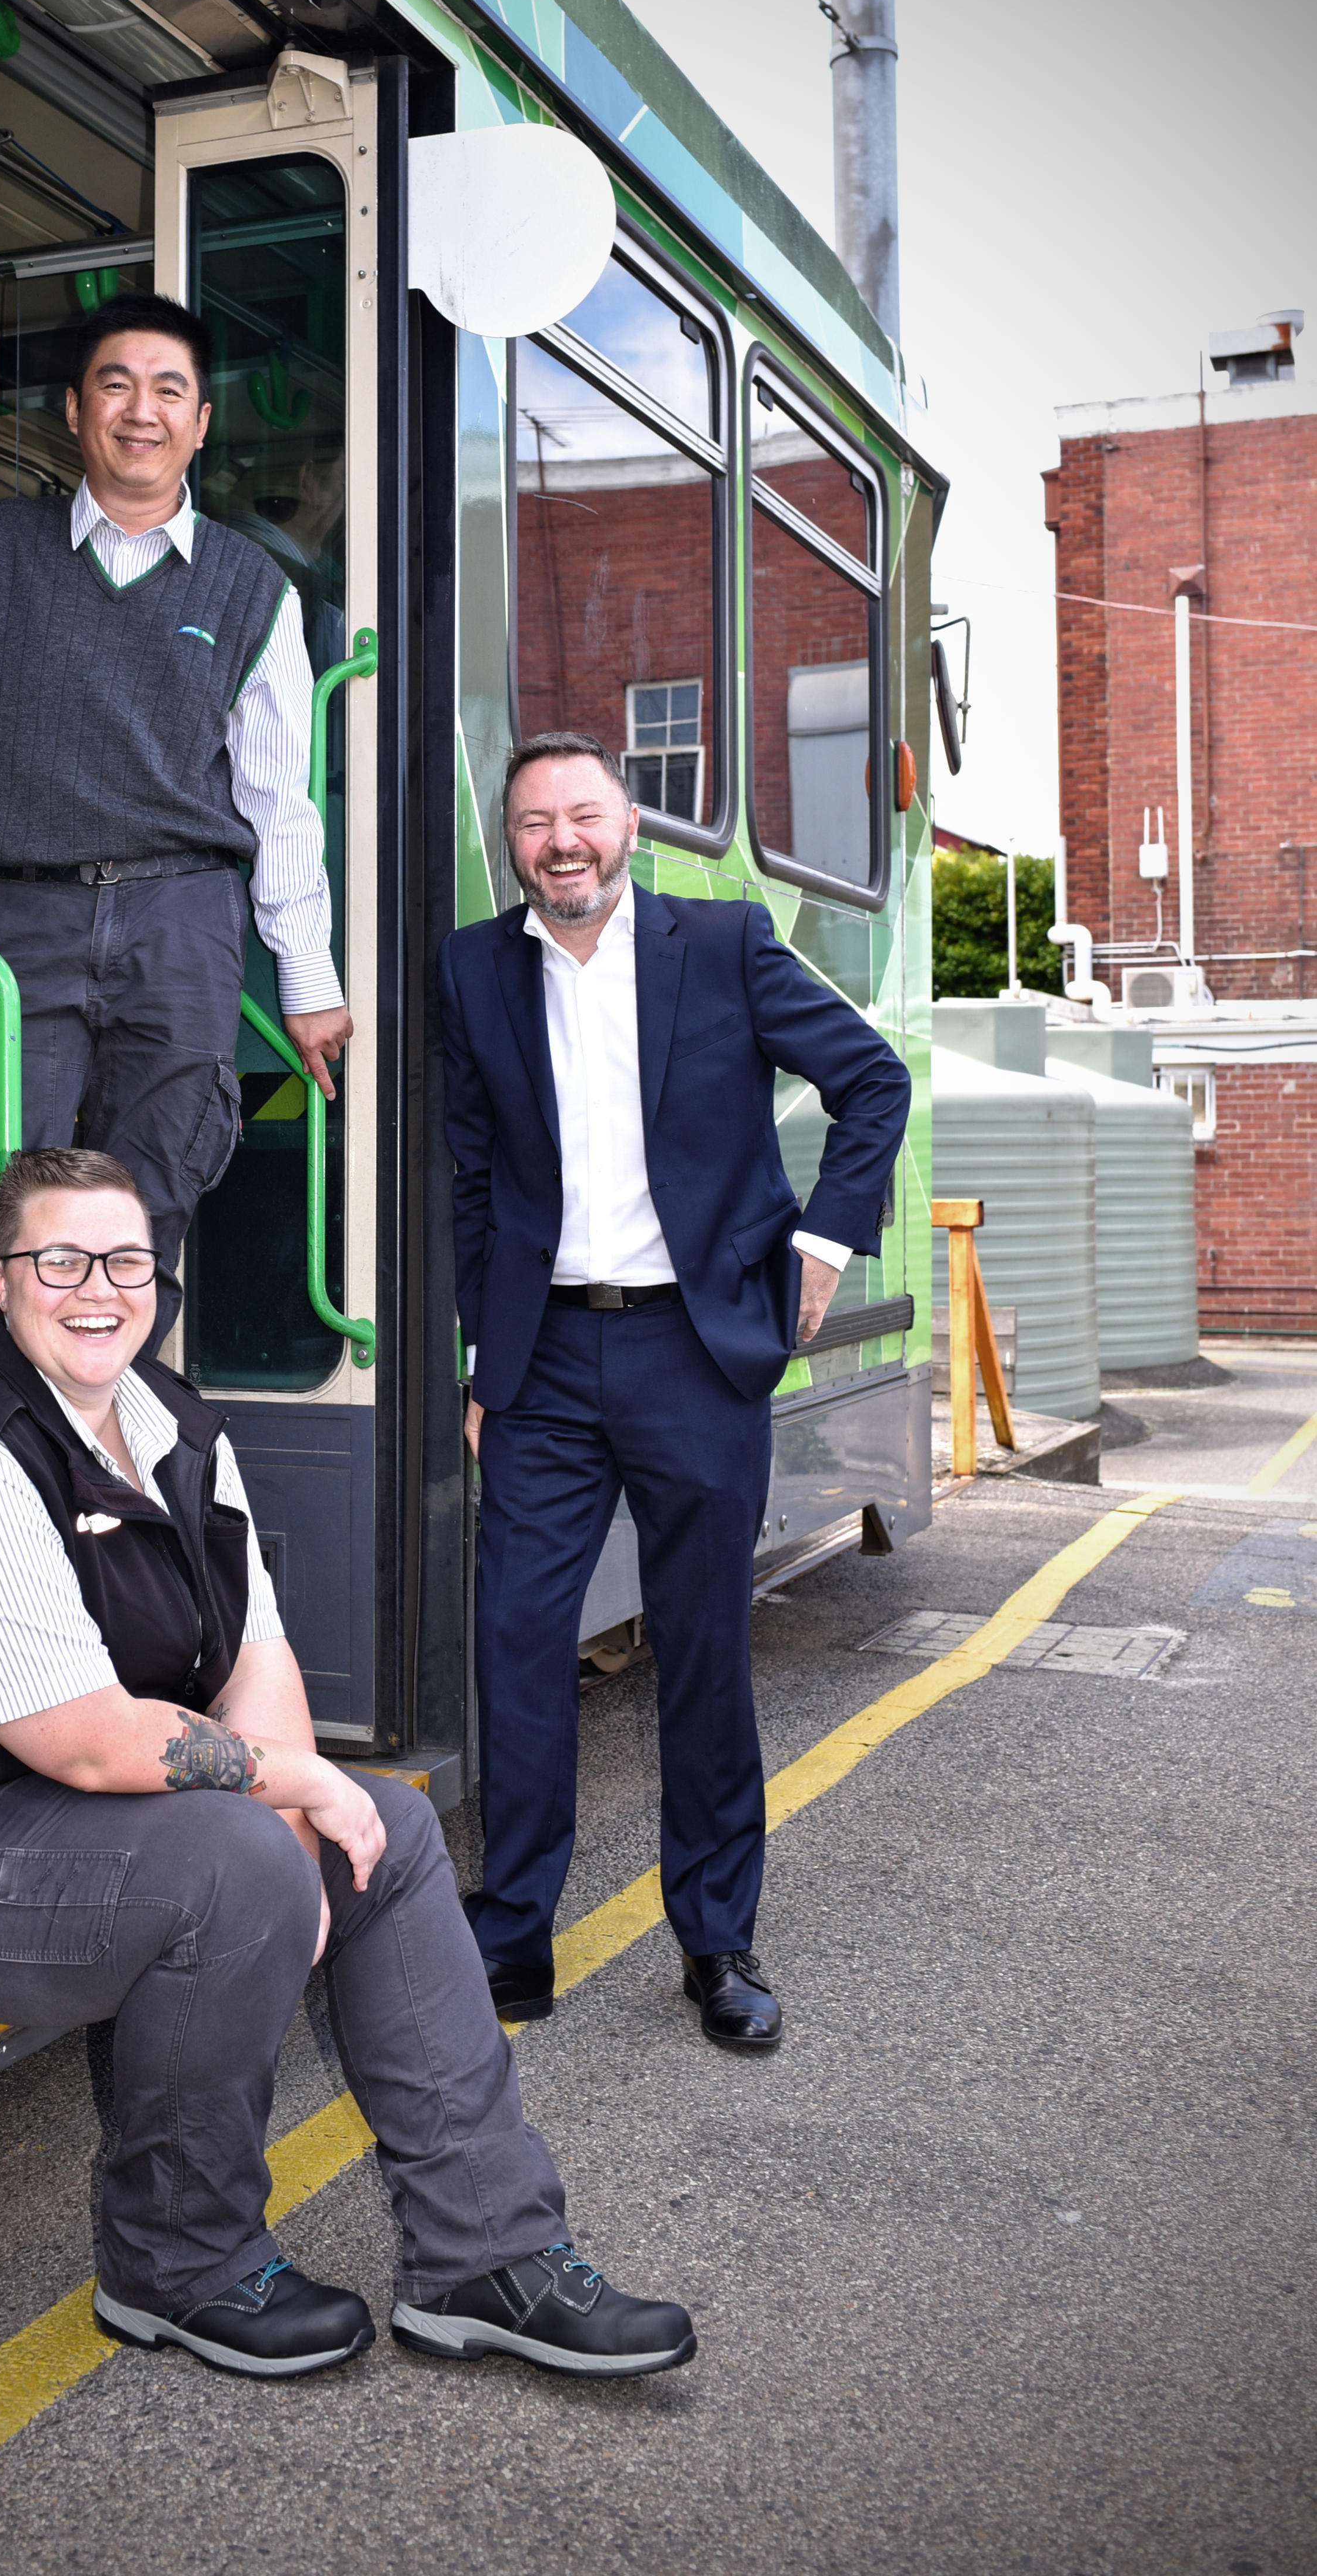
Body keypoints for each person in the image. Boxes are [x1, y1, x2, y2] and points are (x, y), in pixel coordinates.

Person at [0, 1145, 696, 2382]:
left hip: (73, 1831)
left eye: (126, 1259)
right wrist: (289, 1798)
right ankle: (175, 2263)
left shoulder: (172, 1425)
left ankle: (486, 2259)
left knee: (384, 1835)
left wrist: (305, 1821)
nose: (99, 1288)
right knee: (251, 1845)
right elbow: (88, 1742)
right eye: (58, 1259)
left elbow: (257, 1657)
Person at [437, 735, 912, 2044]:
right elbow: (472, 1181)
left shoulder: (723, 945)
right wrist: (485, 1358)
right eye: (534, 821)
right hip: (542, 1367)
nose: (560, 840)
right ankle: (512, 1933)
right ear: (513, 843)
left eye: (582, 812)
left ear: (628, 822)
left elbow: (873, 1079)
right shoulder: (474, 969)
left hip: (695, 1354)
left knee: (701, 1647)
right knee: (518, 1648)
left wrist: (821, 1245)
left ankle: (716, 1942)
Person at [0, 292, 353, 1340]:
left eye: (169, 389)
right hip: (22, 919)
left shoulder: (252, 587)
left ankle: (113, 1466)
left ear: (200, 422)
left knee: (144, 1217)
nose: (141, 410)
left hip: (182, 924)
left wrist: (307, 983)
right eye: (115, 385)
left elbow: (276, 800)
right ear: (75, 412)